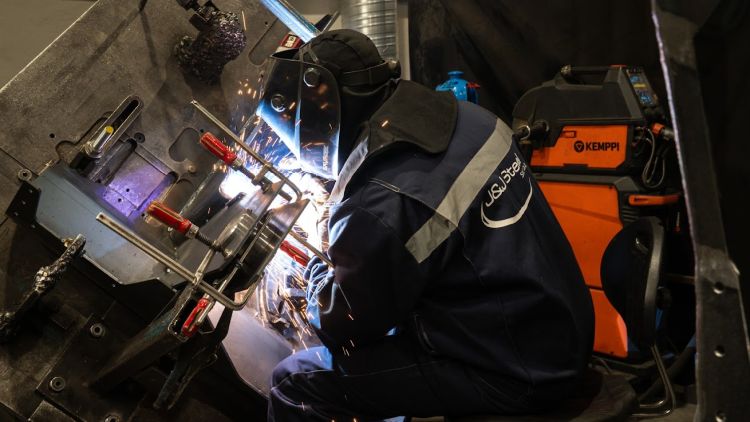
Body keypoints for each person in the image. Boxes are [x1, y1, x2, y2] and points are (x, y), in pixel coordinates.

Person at [255, 29, 594, 421]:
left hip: (513, 372)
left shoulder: (383, 202)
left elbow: (345, 326)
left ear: (319, 117)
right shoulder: (470, 118)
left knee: (294, 382)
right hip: (559, 334)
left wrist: (316, 276)